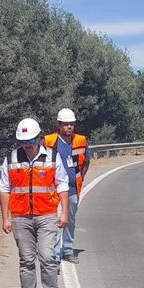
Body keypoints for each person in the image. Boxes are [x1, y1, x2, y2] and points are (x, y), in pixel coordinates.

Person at [0, 118, 69, 288]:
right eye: (23, 141)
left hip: (47, 214)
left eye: (30, 140)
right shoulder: (11, 158)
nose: (27, 145)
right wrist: (5, 217)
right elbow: (4, 188)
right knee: (26, 260)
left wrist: (64, 213)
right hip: (21, 217)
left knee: (47, 257)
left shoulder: (52, 156)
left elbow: (62, 185)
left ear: (39, 138)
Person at [44, 108, 91, 264]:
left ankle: (68, 251)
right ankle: (55, 256)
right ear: (59, 125)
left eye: (71, 124)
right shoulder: (49, 141)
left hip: (72, 189)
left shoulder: (80, 141)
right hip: (54, 189)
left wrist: (80, 178)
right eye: (66, 124)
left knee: (70, 220)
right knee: (57, 221)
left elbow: (86, 161)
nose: (69, 127)